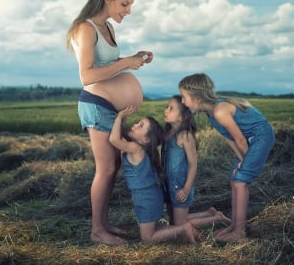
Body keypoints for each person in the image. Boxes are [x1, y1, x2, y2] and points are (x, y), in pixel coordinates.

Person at [66, 0, 153, 245]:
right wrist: (124, 62)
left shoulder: (109, 29)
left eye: (130, 6)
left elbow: (111, 69)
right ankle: (97, 231)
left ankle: (102, 223)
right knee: (104, 169)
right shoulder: (86, 28)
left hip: (109, 109)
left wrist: (133, 59)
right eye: (124, 4)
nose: (128, 11)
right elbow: (88, 76)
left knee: (112, 166)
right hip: (95, 105)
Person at [178, 73, 275, 243]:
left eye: (184, 97)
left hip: (261, 136)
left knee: (240, 181)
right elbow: (229, 138)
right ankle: (235, 225)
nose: (183, 102)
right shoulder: (211, 114)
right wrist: (240, 161)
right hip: (247, 141)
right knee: (234, 179)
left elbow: (240, 140)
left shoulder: (220, 111)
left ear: (197, 96)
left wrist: (244, 163)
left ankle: (239, 232)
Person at [109, 106, 199, 244]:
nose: (135, 125)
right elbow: (123, 133)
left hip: (146, 198)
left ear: (145, 139)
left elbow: (114, 139)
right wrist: (123, 118)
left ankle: (183, 228)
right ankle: (180, 229)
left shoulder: (135, 148)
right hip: (148, 196)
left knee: (147, 238)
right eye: (138, 123)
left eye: (140, 126)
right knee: (152, 229)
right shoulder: (140, 147)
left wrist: (120, 116)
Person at [162, 95, 231, 227]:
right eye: (166, 107)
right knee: (173, 223)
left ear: (181, 117)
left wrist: (187, 188)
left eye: (171, 109)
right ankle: (209, 213)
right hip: (168, 184)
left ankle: (216, 218)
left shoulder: (185, 136)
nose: (165, 110)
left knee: (180, 226)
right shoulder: (167, 133)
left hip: (181, 185)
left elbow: (193, 164)